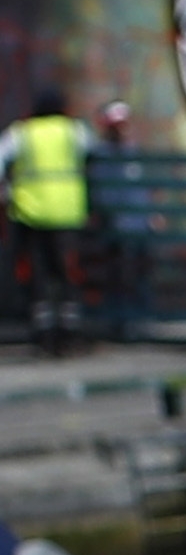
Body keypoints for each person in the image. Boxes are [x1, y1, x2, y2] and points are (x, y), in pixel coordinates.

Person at [6, 90, 89, 357]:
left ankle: (42, 334)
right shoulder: (73, 131)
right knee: (67, 273)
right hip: (67, 213)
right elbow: (92, 152)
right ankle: (70, 333)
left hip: (31, 213)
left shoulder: (23, 132)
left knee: (38, 274)